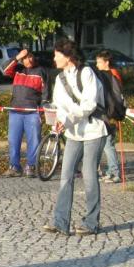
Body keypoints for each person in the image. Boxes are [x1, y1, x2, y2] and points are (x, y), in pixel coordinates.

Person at [43, 39, 107, 236]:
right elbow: (58, 104)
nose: (54, 58)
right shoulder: (60, 78)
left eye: (57, 55)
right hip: (73, 133)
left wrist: (68, 120)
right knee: (66, 175)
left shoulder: (86, 73)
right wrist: (57, 119)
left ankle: (91, 223)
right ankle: (60, 222)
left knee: (89, 175)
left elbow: (89, 105)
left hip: (94, 130)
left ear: (68, 56)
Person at [2, 49, 47, 177]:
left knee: (34, 140)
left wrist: (42, 110)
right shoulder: (17, 69)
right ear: (22, 60)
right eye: (26, 58)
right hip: (15, 111)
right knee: (13, 140)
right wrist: (16, 57)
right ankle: (14, 167)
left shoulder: (41, 71)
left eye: (31, 57)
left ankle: (31, 166)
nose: (29, 60)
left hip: (32, 112)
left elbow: (46, 93)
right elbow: (5, 70)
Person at [95, 50, 122, 183]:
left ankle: (115, 173)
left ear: (107, 62)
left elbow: (115, 97)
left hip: (110, 115)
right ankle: (110, 171)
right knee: (105, 144)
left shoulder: (112, 75)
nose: (97, 65)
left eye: (99, 62)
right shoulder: (105, 75)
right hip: (106, 113)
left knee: (108, 144)